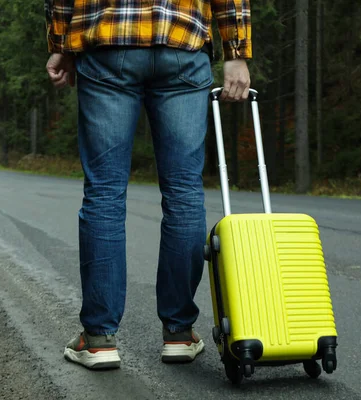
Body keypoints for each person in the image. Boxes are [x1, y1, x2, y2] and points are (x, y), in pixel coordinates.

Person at [44, 0, 252, 370]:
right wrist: (236, 51)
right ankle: (178, 332)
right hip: (182, 42)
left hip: (108, 42)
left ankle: (99, 339)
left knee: (104, 193)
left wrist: (62, 46)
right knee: (184, 193)